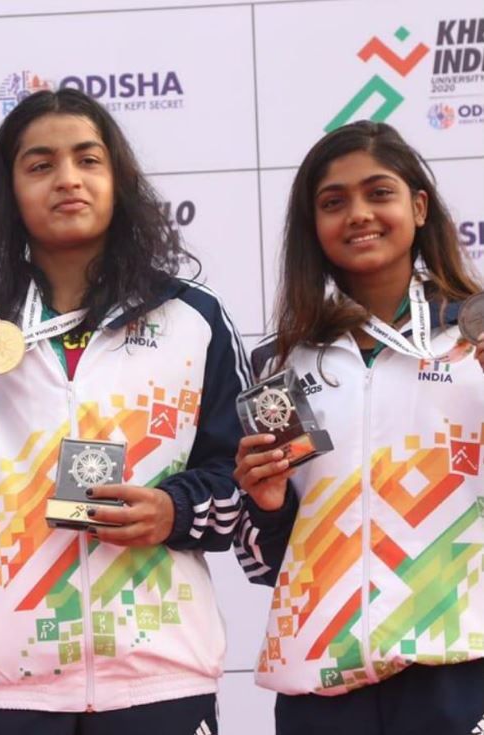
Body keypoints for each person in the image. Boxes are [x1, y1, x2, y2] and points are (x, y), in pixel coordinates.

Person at [0, 87, 248, 734]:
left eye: (88, 159)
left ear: (118, 178)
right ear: (10, 191)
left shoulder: (193, 317)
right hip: (4, 679)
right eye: (40, 164)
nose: (67, 178)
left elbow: (241, 478)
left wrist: (174, 509)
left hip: (158, 669)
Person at [233, 121, 484, 735]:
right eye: (333, 202)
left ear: (418, 206)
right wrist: (264, 504)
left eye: (379, 193)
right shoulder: (278, 364)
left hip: (459, 660)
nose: (359, 215)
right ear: (311, 225)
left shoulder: (474, 340)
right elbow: (265, 563)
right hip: (319, 674)